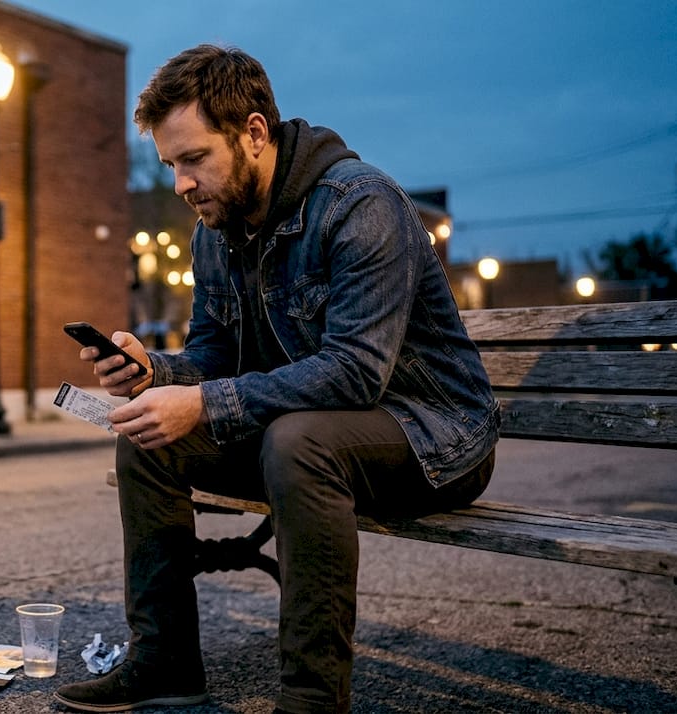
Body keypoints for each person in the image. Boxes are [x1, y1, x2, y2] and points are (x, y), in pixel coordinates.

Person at [56, 45, 499, 714]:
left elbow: (356, 374)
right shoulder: (216, 228)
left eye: (195, 158)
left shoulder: (359, 205)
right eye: (171, 164)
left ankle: (311, 701)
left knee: (299, 442)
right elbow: (212, 350)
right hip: (304, 430)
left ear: (255, 133)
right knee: (149, 439)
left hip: (432, 434)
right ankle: (165, 662)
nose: (181, 183)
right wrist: (154, 372)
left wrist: (203, 402)